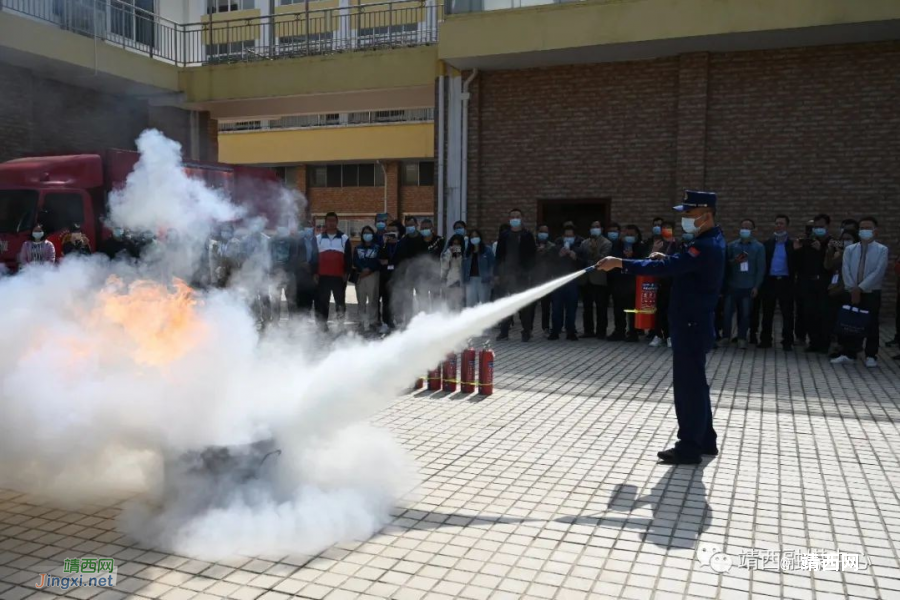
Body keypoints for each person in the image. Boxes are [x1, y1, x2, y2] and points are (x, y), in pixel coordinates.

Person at [595, 190, 725, 465]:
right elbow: (679, 265)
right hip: (694, 322)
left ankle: (689, 447)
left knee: (688, 387)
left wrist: (620, 263)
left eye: (689, 215)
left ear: (706, 214)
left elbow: (672, 268)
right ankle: (706, 440)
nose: (685, 221)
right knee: (696, 385)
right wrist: (663, 260)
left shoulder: (705, 246)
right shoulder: (709, 239)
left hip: (691, 324)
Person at [831, 217, 889, 368]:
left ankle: (871, 355)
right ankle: (849, 353)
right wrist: (852, 288)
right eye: (862, 228)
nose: (865, 231)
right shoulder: (850, 249)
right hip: (851, 291)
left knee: (872, 324)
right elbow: (846, 269)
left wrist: (860, 288)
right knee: (849, 322)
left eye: (868, 228)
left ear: (875, 231)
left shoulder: (882, 250)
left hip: (871, 292)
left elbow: (878, 272)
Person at [721, 219, 765, 349]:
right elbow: (725, 265)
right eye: (743, 227)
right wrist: (734, 261)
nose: (744, 230)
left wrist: (756, 286)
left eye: (748, 228)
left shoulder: (759, 247)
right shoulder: (732, 246)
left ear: (753, 230)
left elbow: (761, 268)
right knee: (727, 313)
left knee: (745, 314)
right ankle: (725, 336)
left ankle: (741, 338)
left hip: (748, 286)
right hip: (732, 285)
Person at [495, 208, 537, 342]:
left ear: (521, 218)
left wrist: (529, 272)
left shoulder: (527, 235)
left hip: (522, 276)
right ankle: (504, 332)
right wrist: (497, 273)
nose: (515, 219)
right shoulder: (504, 235)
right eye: (512, 216)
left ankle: (526, 331)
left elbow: (532, 256)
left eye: (517, 216)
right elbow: (499, 255)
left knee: (524, 305)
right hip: (506, 275)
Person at [794, 214, 833, 353]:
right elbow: (799, 265)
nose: (818, 229)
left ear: (828, 226)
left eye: (821, 227)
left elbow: (833, 265)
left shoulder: (832, 243)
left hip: (824, 284)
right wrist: (797, 250)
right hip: (808, 284)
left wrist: (821, 250)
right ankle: (814, 342)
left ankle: (825, 343)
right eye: (815, 227)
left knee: (824, 314)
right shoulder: (809, 242)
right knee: (809, 314)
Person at [759, 215, 796, 351]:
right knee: (767, 312)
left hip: (785, 282)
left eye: (781, 223)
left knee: (787, 313)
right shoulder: (768, 244)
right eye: (777, 223)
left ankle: (787, 341)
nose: (779, 225)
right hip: (770, 281)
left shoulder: (792, 244)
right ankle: (765, 339)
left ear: (787, 226)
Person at [609, 224, 647, 342]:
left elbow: (644, 261)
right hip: (619, 281)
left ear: (636, 235)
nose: (629, 237)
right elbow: (612, 259)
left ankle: (633, 332)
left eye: (632, 235)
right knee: (618, 308)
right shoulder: (617, 245)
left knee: (632, 309)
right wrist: (623, 257)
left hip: (633, 282)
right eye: (627, 234)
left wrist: (633, 256)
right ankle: (619, 331)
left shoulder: (640, 246)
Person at [824, 229, 858, 355]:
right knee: (834, 319)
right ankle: (837, 344)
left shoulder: (856, 252)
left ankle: (848, 347)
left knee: (847, 320)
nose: (845, 241)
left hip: (849, 289)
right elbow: (828, 266)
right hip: (836, 289)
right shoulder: (838, 252)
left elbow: (851, 265)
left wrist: (842, 252)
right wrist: (829, 252)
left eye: (848, 239)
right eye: (843, 239)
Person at [315, 212, 351, 329]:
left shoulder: (344, 238)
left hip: (338, 277)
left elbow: (348, 257)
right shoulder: (318, 238)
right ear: (325, 222)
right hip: (323, 276)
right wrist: (315, 272)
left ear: (337, 222)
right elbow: (314, 257)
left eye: (333, 221)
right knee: (322, 302)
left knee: (340, 302)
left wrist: (347, 272)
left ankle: (340, 325)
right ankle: (322, 325)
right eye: (329, 221)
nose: (331, 223)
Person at [648, 221, 680, 347]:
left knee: (671, 310)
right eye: (664, 228)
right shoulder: (657, 243)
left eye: (669, 228)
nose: (666, 230)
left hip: (672, 281)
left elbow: (678, 260)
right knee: (659, 309)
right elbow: (648, 261)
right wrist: (654, 250)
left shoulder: (677, 243)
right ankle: (659, 334)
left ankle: (670, 335)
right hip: (658, 280)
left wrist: (665, 257)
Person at [549, 223, 583, 341]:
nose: (568, 238)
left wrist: (575, 257)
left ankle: (571, 331)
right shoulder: (555, 247)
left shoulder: (579, 247)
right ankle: (555, 331)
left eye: (571, 236)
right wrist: (559, 255)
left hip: (572, 282)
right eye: (566, 236)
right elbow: (550, 264)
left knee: (571, 308)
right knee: (556, 308)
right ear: (563, 237)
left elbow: (584, 264)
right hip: (558, 281)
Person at [580, 221, 612, 339]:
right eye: (593, 227)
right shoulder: (584, 243)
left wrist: (594, 250)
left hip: (599, 279)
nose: (595, 229)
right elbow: (581, 258)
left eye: (597, 227)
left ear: (602, 229)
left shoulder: (606, 243)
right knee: (587, 307)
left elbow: (603, 259)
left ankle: (601, 332)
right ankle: (588, 330)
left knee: (601, 307)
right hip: (586, 279)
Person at [353, 225, 382, 334]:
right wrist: (362, 269)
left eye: (369, 233)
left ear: (372, 235)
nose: (367, 235)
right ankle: (361, 322)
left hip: (373, 275)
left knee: (373, 300)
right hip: (361, 275)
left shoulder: (377, 248)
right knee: (361, 300)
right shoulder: (357, 248)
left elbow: (378, 261)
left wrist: (369, 270)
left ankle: (373, 322)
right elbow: (355, 260)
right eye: (365, 233)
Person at [378, 221, 402, 333]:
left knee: (397, 299)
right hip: (385, 277)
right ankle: (386, 322)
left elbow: (403, 259)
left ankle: (399, 321)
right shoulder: (384, 245)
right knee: (386, 300)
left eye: (394, 231)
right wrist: (384, 244)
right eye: (389, 231)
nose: (391, 233)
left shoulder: (402, 244)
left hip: (397, 276)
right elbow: (381, 260)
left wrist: (390, 261)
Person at [534, 225, 557, 336]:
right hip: (534, 279)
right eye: (541, 231)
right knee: (530, 306)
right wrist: (537, 253)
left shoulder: (552, 246)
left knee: (546, 306)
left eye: (545, 232)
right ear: (537, 232)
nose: (543, 233)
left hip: (547, 279)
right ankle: (528, 329)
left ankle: (546, 328)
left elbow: (553, 262)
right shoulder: (532, 246)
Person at [462, 228, 494, 307]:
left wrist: (492, 278)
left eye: (476, 236)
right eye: (472, 237)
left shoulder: (487, 250)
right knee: (470, 304)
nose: (474, 238)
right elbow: (463, 267)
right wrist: (463, 281)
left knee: (484, 303)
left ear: (480, 237)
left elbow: (492, 265)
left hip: (483, 280)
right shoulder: (467, 252)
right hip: (470, 280)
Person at [295, 224, 319, 317]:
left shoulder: (317, 241)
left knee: (310, 298)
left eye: (310, 228)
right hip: (301, 275)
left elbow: (319, 257)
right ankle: (300, 321)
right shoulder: (298, 242)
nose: (308, 230)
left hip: (313, 274)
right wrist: (301, 264)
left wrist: (313, 270)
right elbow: (294, 257)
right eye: (306, 228)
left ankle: (306, 321)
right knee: (300, 298)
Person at [440, 234, 466, 310]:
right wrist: (449, 254)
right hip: (450, 282)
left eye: (457, 244)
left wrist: (458, 256)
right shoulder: (447, 253)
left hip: (460, 282)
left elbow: (462, 267)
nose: (455, 246)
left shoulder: (464, 253)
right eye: (454, 244)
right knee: (450, 305)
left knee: (459, 305)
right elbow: (444, 267)